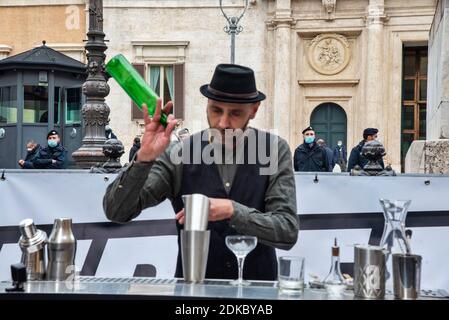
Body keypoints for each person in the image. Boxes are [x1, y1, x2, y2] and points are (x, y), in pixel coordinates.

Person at [103, 64, 299, 281]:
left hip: (258, 292)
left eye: (235, 113)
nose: (223, 123)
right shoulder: (179, 154)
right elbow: (117, 211)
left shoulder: (273, 149)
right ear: (206, 105)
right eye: (216, 110)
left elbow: (287, 230)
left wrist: (233, 210)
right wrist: (143, 159)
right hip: (195, 292)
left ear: (254, 110)